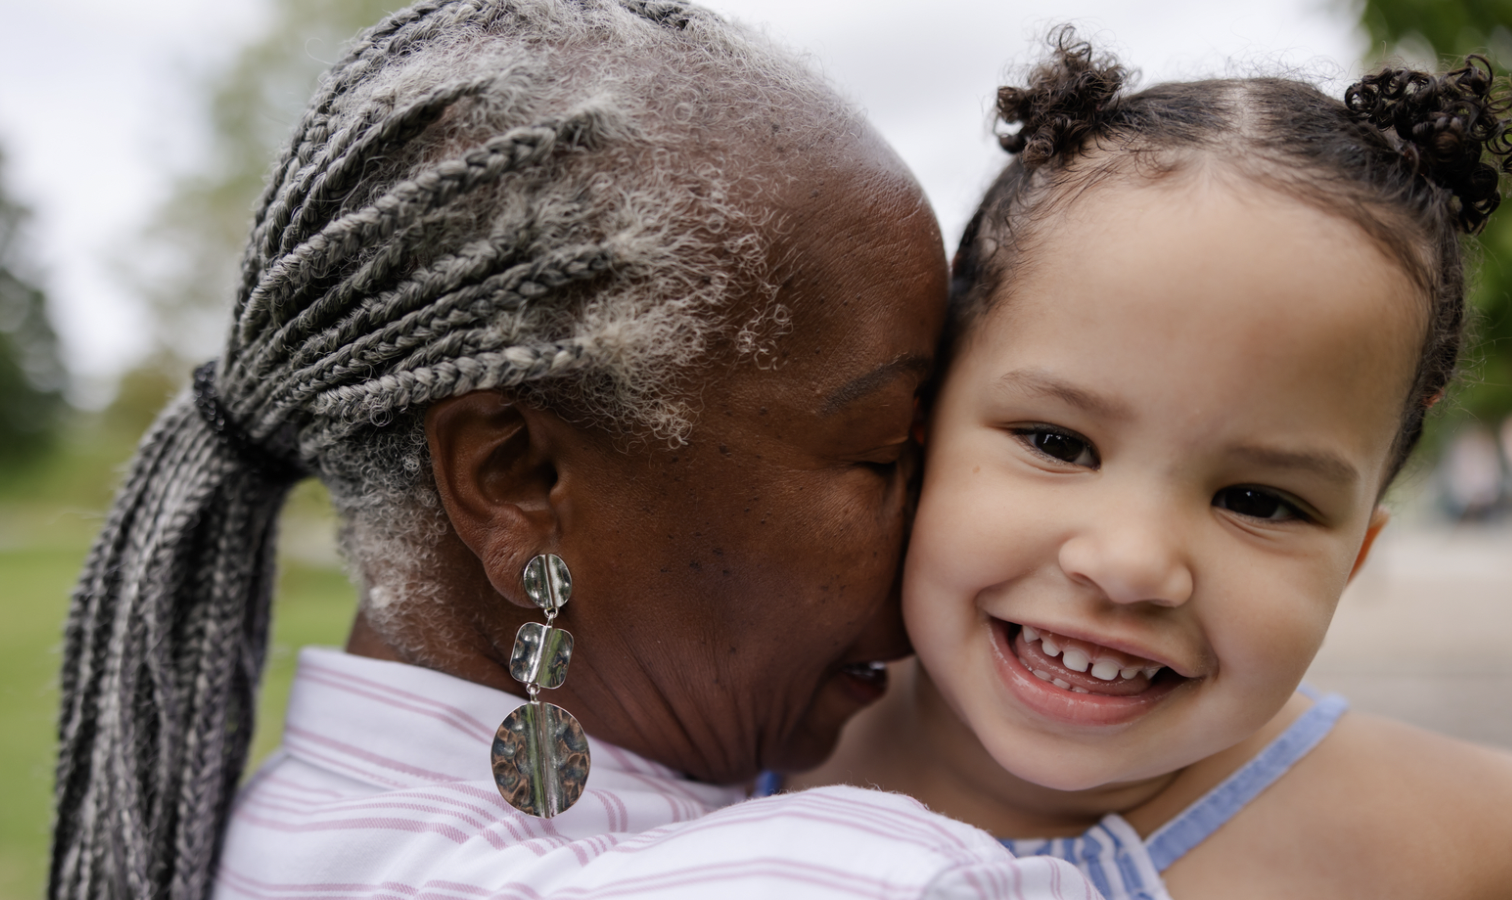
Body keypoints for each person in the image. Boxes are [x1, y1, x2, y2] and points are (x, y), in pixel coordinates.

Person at [48, 3, 1101, 899]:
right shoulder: (884, 879)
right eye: (885, 453)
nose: (942, 522)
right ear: (518, 481)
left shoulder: (280, 834)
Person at [793, 32, 1512, 900]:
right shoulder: (711, 741)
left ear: (1355, 556)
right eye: (1058, 444)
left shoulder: (1459, 844)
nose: (1131, 564)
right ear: (918, 431)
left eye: (1258, 500)